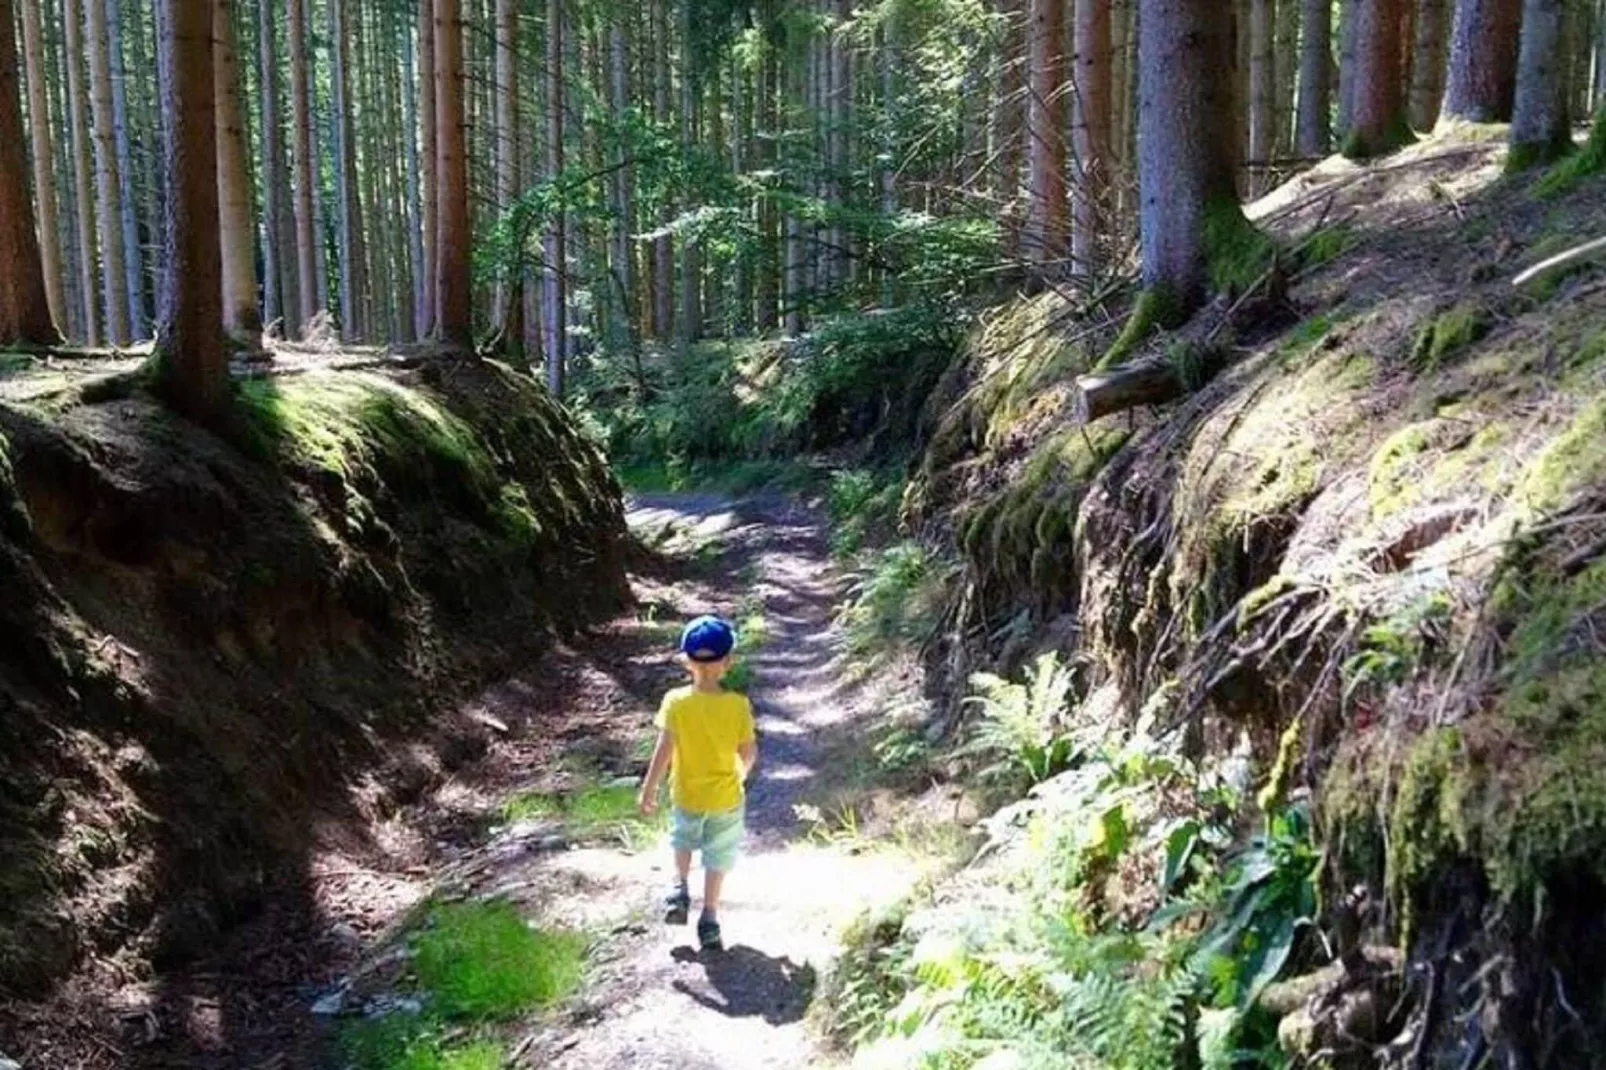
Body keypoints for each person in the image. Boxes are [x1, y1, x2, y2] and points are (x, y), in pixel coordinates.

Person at [637, 615, 757, 952]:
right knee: (718, 857)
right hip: (726, 798)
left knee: (683, 841)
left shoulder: (676, 702)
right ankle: (710, 918)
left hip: (686, 795)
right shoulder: (737, 706)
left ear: (686, 661)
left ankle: (679, 887)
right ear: (728, 662)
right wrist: (740, 775)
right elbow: (748, 752)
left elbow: (664, 750)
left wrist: (649, 790)